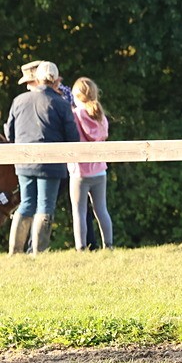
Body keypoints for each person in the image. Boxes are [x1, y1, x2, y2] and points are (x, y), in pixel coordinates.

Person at [5, 62, 80, 254]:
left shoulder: (19, 100)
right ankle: (39, 253)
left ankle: (15, 251)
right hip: (51, 164)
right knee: (45, 205)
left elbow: (10, 134)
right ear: (55, 79)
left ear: (37, 78)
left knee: (26, 203)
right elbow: (73, 137)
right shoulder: (61, 104)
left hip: (23, 162)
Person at [67, 77, 115, 250]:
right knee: (101, 210)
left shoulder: (75, 114)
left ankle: (80, 247)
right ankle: (108, 245)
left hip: (79, 171)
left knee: (79, 211)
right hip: (100, 170)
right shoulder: (100, 114)